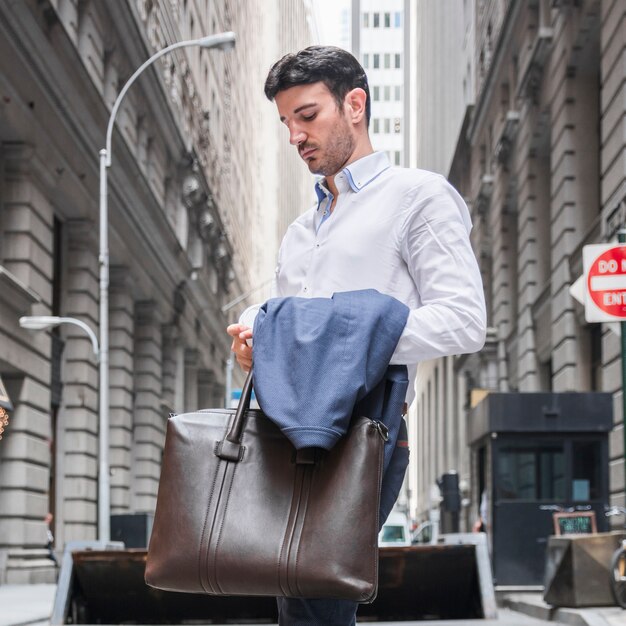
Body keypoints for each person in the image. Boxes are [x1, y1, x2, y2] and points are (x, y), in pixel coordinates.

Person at [226, 46, 486, 626]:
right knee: (294, 595)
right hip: (285, 429)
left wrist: (339, 339)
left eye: (308, 115)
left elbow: (466, 319)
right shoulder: (300, 233)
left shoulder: (418, 197)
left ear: (355, 105)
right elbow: (296, 326)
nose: (295, 135)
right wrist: (259, 337)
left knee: (317, 595)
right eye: (286, 122)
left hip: (368, 427)